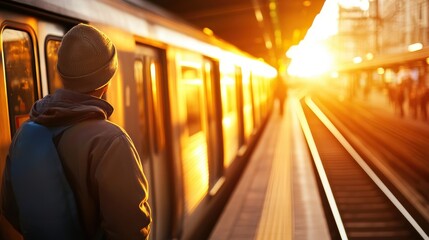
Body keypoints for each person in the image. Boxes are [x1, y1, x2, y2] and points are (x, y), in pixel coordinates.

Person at [1, 24, 151, 239]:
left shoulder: (25, 134)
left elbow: (10, 209)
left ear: (61, 75)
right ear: (106, 82)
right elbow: (131, 229)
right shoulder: (112, 141)